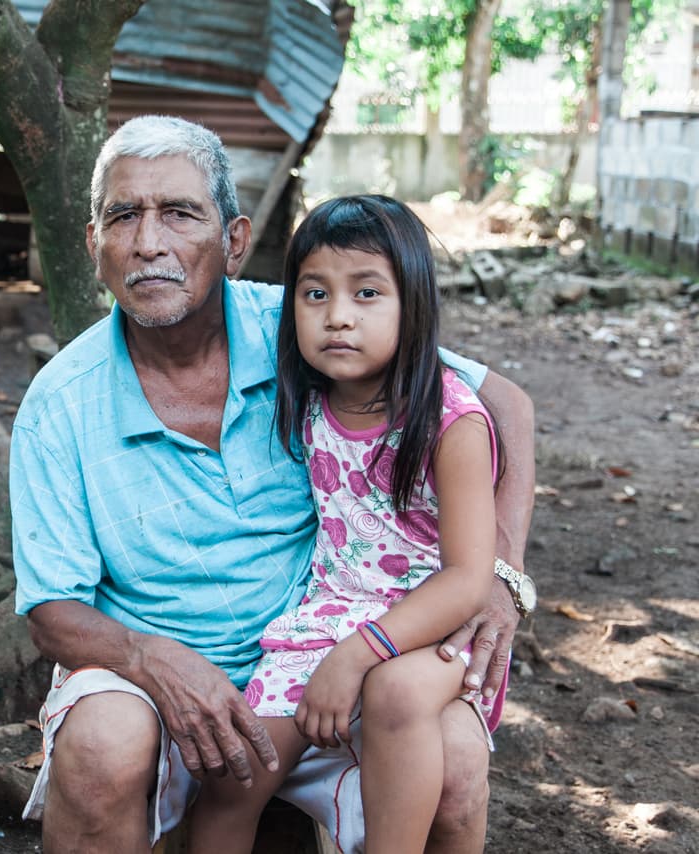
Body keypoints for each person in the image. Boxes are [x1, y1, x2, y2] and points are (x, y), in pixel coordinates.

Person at [10, 116, 535, 854]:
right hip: (156, 671)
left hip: (335, 653)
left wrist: (500, 577)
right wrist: (150, 659)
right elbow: (50, 610)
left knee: (452, 764)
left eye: (181, 213)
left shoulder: (303, 328)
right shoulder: (60, 405)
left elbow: (501, 405)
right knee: (101, 746)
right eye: (124, 215)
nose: (149, 242)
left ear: (234, 241)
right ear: (95, 245)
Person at [187, 194, 511, 854]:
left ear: (412, 305)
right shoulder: (307, 399)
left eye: (367, 294)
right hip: (322, 623)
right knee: (235, 772)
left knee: (394, 695)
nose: (338, 318)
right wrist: (337, 649)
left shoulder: (451, 420)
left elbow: (470, 576)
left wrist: (360, 653)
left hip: (433, 630)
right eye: (314, 295)